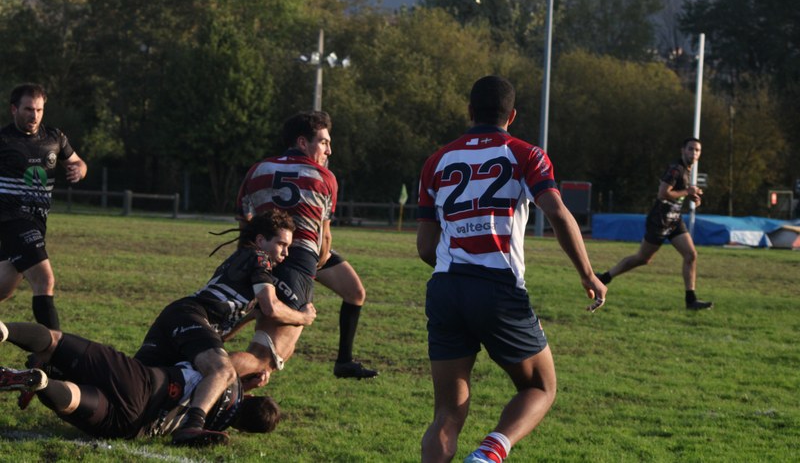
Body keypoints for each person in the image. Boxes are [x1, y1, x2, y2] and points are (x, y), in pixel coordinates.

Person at [416, 75, 607, 463]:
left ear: (469, 112)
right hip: (497, 289)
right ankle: (488, 454)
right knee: (540, 387)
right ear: (512, 115)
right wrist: (588, 274)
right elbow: (556, 212)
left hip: (446, 288)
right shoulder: (526, 153)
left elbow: (424, 247)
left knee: (447, 414)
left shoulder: (437, 160)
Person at [133, 210, 311, 446]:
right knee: (222, 370)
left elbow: (222, 329)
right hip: (190, 316)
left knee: (134, 381)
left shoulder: (244, 257)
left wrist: (248, 319)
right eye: (281, 244)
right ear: (261, 241)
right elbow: (271, 308)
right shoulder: (260, 258)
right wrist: (304, 317)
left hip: (181, 317)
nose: (285, 253)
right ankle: (192, 426)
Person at [236, 111, 377, 380]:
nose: (329, 150)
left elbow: (244, 220)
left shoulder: (257, 169)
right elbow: (325, 239)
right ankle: (215, 380)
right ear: (303, 143)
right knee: (269, 356)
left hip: (263, 250)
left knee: (355, 291)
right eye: (324, 142)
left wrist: (250, 258)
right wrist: (314, 263)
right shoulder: (323, 176)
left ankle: (344, 361)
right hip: (301, 255)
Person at [0, 320, 280, 445]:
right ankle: (41, 383)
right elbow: (228, 408)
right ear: (244, 428)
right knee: (74, 400)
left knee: (55, 341)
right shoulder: (214, 427)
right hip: (133, 427)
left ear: (252, 398)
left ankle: (5, 330)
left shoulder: (224, 376)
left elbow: (214, 351)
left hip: (144, 383)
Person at [0, 83, 87, 331]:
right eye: (28, 109)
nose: (34, 115)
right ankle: (54, 353)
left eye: (39, 110)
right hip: (12, 221)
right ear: (14, 109)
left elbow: (78, 161)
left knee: (3, 289)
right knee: (45, 280)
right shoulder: (3, 140)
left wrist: (79, 169)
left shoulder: (55, 138)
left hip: (37, 224)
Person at [595, 137, 713, 310]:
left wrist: (690, 195)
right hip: (660, 219)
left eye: (697, 150)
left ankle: (691, 300)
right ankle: (605, 277)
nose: (694, 153)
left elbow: (678, 193)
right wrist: (687, 191)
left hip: (674, 220)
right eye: (691, 149)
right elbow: (663, 193)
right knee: (643, 258)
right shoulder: (676, 169)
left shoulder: (687, 171)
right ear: (683, 150)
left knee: (691, 255)